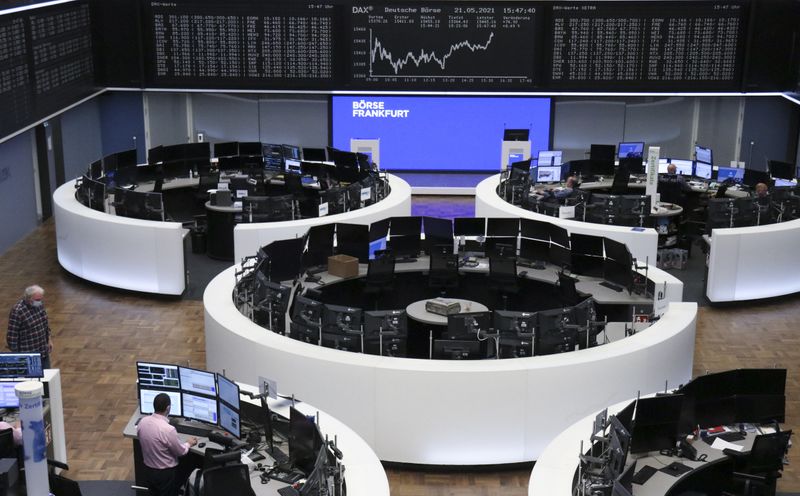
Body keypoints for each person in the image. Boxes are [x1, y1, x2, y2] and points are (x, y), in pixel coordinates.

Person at [137, 393, 198, 496]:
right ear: (168, 408)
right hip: (165, 474)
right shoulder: (168, 430)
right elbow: (181, 452)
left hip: (148, 470)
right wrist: (188, 443)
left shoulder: (142, 422)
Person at [7, 285, 53, 369]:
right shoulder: (17, 311)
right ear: (28, 298)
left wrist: (49, 339)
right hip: (29, 356)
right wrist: (18, 358)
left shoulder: (39, 305)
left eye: (40, 299)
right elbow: (12, 337)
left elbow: (45, 324)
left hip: (43, 351)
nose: (39, 302)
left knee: (47, 377)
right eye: (37, 300)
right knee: (32, 381)